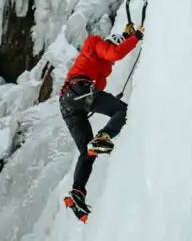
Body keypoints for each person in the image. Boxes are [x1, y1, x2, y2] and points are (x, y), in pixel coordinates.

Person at [59, 22, 144, 222]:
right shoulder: (94, 43)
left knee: (87, 152)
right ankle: (104, 135)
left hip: (68, 104)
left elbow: (111, 56)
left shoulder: (100, 67)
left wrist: (125, 34)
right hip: (78, 91)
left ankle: (77, 193)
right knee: (122, 110)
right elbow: (113, 53)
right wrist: (136, 37)